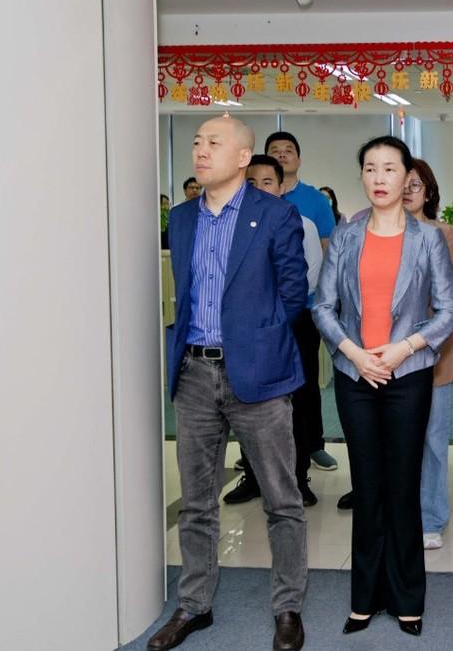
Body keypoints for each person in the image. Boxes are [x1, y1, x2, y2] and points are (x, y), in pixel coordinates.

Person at [152, 116, 308, 651]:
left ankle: (287, 607)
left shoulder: (275, 214)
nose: (200, 150)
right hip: (194, 374)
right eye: (197, 141)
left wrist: (258, 341)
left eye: (213, 143)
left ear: (243, 157)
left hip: (258, 374)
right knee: (197, 502)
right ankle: (194, 605)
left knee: (281, 500)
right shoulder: (182, 218)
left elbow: (294, 294)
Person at [312, 136, 453, 638]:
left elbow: (448, 310)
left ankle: (407, 597)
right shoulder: (346, 235)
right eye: (370, 168)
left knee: (402, 485)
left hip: (407, 375)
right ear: (362, 176)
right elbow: (322, 306)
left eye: (389, 169)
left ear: (406, 178)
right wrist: (355, 354)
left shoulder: (428, 238)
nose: (379, 177)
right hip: (356, 376)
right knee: (368, 485)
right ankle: (365, 597)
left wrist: (403, 349)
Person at [221, 155, 326, 508]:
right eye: (252, 182)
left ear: (281, 187)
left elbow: (309, 276)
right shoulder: (232, 226)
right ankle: (252, 478)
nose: (259, 188)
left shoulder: (302, 223)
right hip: (245, 331)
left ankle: (298, 479)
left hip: (293, 324)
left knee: (295, 405)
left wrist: (274, 317)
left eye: (267, 182)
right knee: (247, 402)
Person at [264, 131, 340, 473]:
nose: (282, 155)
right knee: (265, 384)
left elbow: (327, 250)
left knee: (306, 379)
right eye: (275, 150)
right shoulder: (253, 197)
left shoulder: (314, 201)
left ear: (298, 158)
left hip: (305, 307)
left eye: (288, 150)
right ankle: (261, 451)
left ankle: (313, 445)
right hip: (263, 311)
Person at [401, 159, 453, 550]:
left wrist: (414, 339)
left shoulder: (444, 234)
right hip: (385, 357)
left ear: (429, 192)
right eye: (403, 183)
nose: (408, 191)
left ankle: (431, 518)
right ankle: (398, 514)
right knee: (393, 441)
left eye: (416, 185)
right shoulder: (374, 232)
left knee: (432, 441)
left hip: (432, 353)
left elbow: (448, 298)